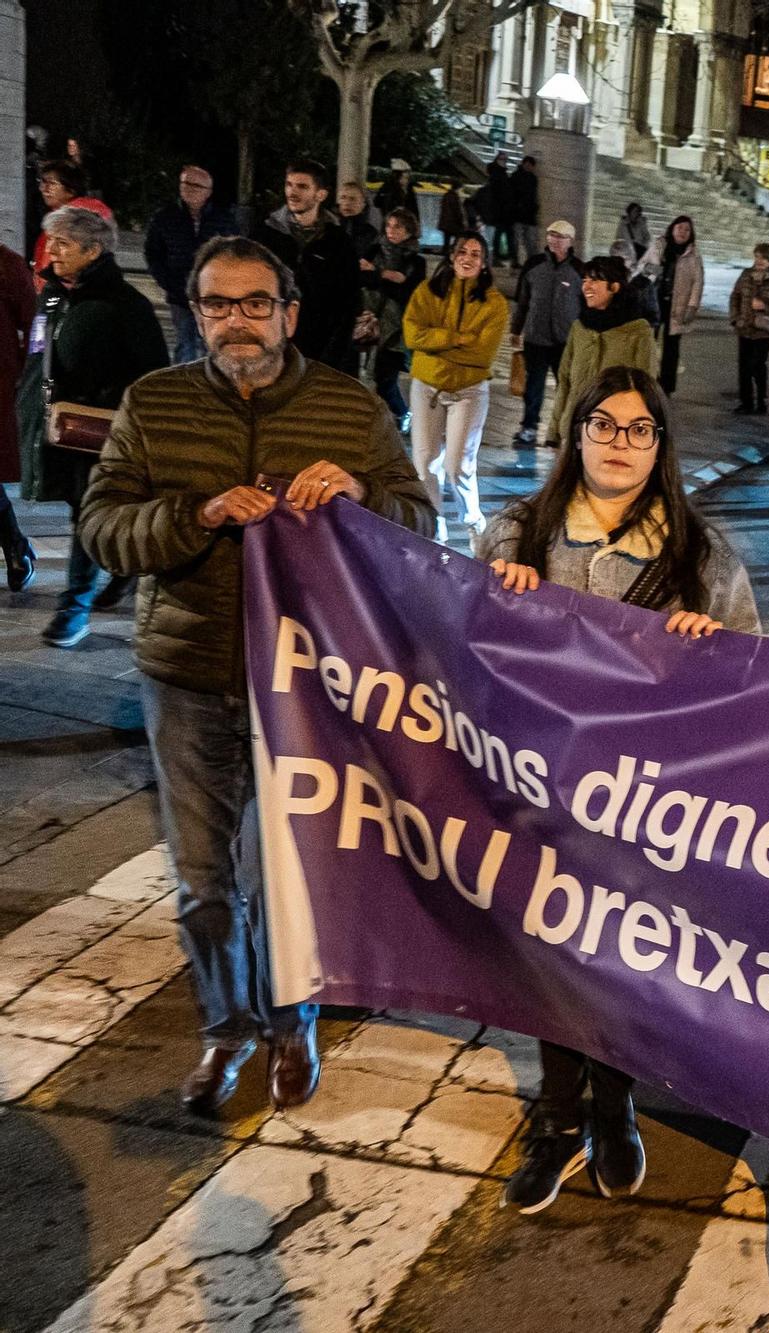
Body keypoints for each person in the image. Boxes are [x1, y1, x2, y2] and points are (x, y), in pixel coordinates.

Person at [78, 234, 434, 1118]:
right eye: (218, 304)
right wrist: (192, 515)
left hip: (306, 684)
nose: (238, 321)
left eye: (255, 303)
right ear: (193, 312)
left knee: (290, 869)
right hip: (188, 673)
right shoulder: (154, 404)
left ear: (289, 312)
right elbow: (103, 527)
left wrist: (359, 493)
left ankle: (292, 1018)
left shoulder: (350, 408)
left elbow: (419, 524)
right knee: (205, 879)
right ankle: (225, 1027)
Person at [480, 366, 758, 1210]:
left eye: (640, 430)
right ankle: (560, 1119)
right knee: (545, 962)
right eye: (604, 425)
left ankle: (615, 1107)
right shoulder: (515, 534)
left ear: (661, 445)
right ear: (577, 432)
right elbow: (462, 658)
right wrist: (497, 604)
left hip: (645, 805)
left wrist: (711, 646)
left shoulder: (699, 551)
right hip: (535, 791)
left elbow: (756, 679)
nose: (620, 444)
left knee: (621, 963)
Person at [30, 207, 169, 648]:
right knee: (82, 513)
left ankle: (74, 608)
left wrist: (113, 411)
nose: (52, 251)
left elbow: (153, 375)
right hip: (57, 430)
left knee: (88, 516)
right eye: (51, 242)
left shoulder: (127, 306)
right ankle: (119, 576)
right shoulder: (52, 297)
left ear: (93, 251)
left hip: (102, 432)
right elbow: (38, 353)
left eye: (64, 244)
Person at [403, 232, 509, 538]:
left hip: (469, 391)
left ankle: (474, 521)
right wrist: (456, 338)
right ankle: (435, 529)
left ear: (485, 263)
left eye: (476, 254)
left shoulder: (495, 303)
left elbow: (482, 354)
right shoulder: (427, 291)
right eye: (462, 251)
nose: (468, 258)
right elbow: (412, 336)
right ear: (452, 257)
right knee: (424, 462)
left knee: (457, 465)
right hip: (427, 388)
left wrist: (434, 342)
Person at [252, 159, 361, 374]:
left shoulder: (339, 242)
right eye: (289, 185)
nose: (292, 192)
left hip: (320, 352)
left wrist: (332, 357)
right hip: (272, 348)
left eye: (302, 186)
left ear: (320, 194)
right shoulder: (264, 236)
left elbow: (348, 304)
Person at [548, 255, 658, 438]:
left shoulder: (638, 332)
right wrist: (554, 432)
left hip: (614, 434)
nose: (586, 286)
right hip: (574, 431)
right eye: (585, 280)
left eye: (595, 280)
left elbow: (646, 389)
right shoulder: (580, 327)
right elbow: (564, 381)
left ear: (614, 287)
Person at [143, 164, 238, 364]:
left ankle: (211, 384)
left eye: (196, 185)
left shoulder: (223, 219)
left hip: (213, 294)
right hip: (179, 293)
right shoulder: (165, 217)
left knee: (210, 342)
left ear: (208, 192)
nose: (189, 189)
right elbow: (153, 253)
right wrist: (167, 281)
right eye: (186, 183)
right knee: (184, 343)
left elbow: (234, 252)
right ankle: (183, 386)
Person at [508, 219, 583, 446]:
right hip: (536, 338)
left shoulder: (579, 270)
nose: (554, 240)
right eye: (551, 235)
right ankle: (529, 427)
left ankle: (563, 429)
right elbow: (522, 300)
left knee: (567, 387)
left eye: (560, 237)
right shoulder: (534, 265)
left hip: (566, 341)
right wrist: (516, 328)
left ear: (570, 241)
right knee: (534, 385)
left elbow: (586, 304)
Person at [358, 207, 426, 426]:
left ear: (409, 231)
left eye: (398, 226)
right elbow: (363, 279)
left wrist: (376, 274)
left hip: (399, 328)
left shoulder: (416, 261)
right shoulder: (374, 250)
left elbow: (408, 293)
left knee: (385, 377)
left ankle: (401, 413)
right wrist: (387, 276)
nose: (391, 230)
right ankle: (388, 417)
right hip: (370, 320)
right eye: (389, 225)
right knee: (373, 375)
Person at [0, 240, 31, 589]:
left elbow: (34, 324)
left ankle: (15, 546)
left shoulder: (8, 265)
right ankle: (15, 545)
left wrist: (30, 368)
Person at [729, 241, 769, 415]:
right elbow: (735, 296)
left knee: (757, 364)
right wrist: (734, 318)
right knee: (744, 366)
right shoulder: (746, 275)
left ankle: (761, 400)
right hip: (744, 327)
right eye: (757, 257)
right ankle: (745, 401)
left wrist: (764, 306)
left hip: (764, 330)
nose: (760, 261)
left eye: (764, 258)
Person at [644, 215, 702, 395]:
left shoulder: (693, 254)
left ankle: (666, 386)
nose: (683, 232)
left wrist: (692, 307)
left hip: (678, 305)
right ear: (672, 228)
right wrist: (653, 270)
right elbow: (644, 266)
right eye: (680, 228)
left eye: (687, 229)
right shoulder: (660, 245)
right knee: (647, 341)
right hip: (655, 300)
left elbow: (698, 282)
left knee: (672, 346)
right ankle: (646, 379)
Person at [30, 160, 111, 288]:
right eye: (42, 182)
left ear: (71, 190)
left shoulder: (74, 222)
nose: (43, 189)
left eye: (51, 183)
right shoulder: (72, 216)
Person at [472, 158, 512, 266]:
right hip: (494, 218)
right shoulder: (499, 184)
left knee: (489, 241)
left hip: (490, 218)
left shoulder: (487, 189)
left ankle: (488, 261)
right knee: (490, 242)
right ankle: (489, 262)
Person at [508, 156, 541, 267]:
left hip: (529, 215)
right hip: (518, 215)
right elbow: (511, 196)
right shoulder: (515, 177)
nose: (529, 167)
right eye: (527, 164)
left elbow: (533, 196)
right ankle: (515, 261)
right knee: (517, 240)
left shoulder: (533, 178)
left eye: (530, 165)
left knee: (530, 241)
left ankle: (530, 262)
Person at [334, 181, 379, 254]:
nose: (347, 203)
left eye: (352, 199)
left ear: (363, 204)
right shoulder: (330, 226)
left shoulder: (371, 233)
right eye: (343, 197)